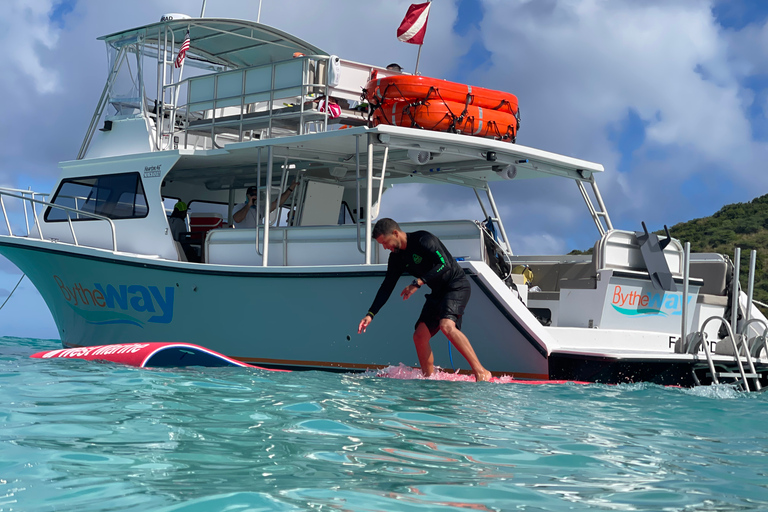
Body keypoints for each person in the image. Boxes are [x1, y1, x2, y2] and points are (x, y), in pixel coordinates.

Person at [357, 218, 492, 382]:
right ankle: (429, 379)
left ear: (395, 233)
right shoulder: (396, 258)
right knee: (419, 336)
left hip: (456, 285)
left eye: (385, 242)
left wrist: (418, 282)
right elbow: (387, 286)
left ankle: (482, 372)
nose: (385, 247)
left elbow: (445, 264)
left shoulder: (423, 240)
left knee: (446, 326)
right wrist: (371, 314)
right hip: (437, 292)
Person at [233, 183, 297, 228]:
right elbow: (237, 219)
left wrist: (290, 189)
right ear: (247, 195)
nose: (254, 196)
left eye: (256, 194)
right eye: (252, 194)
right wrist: (249, 204)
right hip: (244, 241)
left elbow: (277, 203)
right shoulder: (239, 207)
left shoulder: (260, 208)